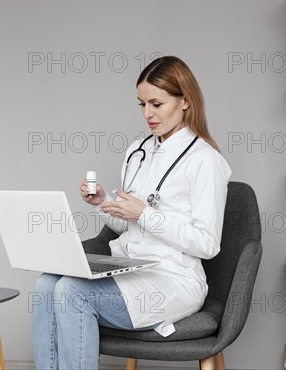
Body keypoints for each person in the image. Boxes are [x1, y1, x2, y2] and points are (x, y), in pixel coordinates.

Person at [31, 56, 232, 370]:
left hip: (173, 279)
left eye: (156, 103)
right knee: (46, 285)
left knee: (72, 292)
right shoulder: (138, 151)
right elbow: (128, 228)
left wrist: (144, 214)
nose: (147, 114)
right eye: (141, 104)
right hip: (130, 268)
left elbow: (207, 244)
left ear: (185, 102)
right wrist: (102, 203)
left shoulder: (206, 160)